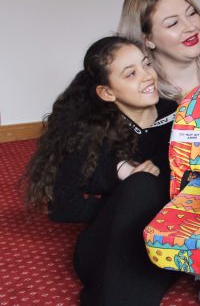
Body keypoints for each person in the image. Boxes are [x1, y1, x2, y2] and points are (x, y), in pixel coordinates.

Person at [22, 36, 179, 306]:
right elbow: (63, 208)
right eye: (131, 74)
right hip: (105, 247)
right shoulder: (93, 132)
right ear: (107, 92)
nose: (147, 76)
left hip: (157, 241)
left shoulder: (180, 115)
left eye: (146, 65)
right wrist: (120, 190)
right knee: (141, 185)